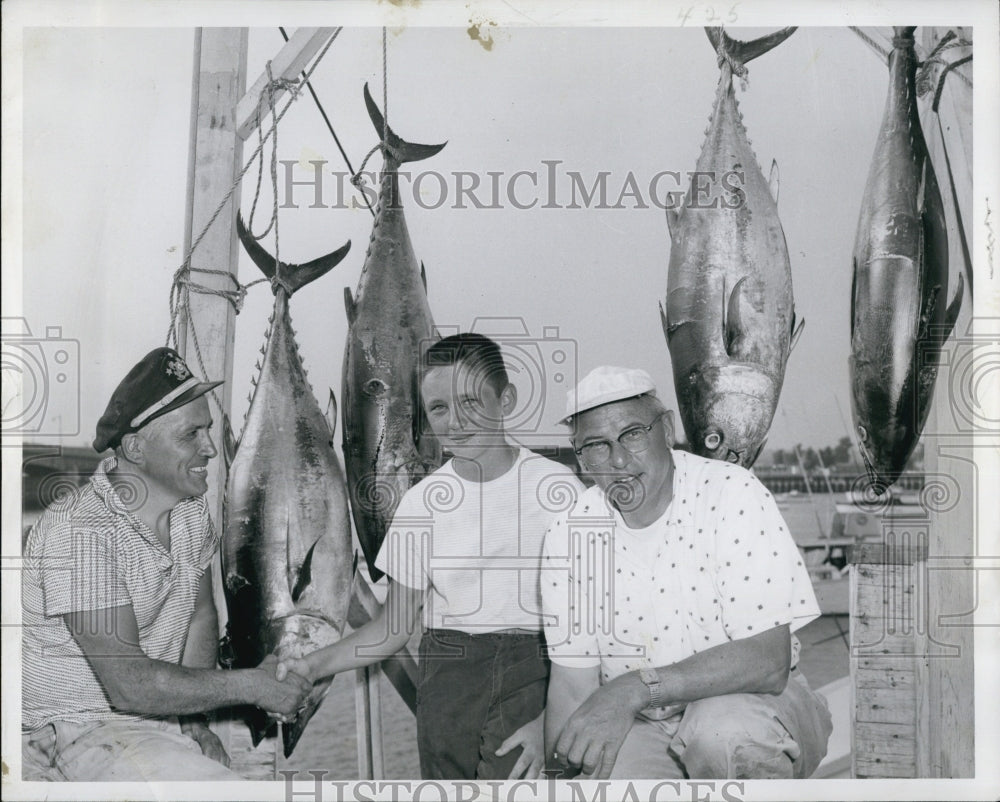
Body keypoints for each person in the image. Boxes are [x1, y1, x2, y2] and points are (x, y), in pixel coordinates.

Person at [277, 333, 586, 779]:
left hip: (537, 671)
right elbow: (393, 628)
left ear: (507, 399)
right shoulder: (422, 503)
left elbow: (590, 628)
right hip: (447, 677)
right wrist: (310, 665)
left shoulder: (558, 489)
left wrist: (552, 722)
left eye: (471, 402)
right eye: (439, 409)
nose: (456, 421)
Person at [21, 347, 312, 782]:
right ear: (136, 447)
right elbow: (129, 683)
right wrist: (252, 684)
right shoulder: (81, 532)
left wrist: (194, 722)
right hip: (67, 731)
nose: (211, 448)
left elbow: (199, 616)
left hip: (140, 723)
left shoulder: (190, 513)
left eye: (208, 430)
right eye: (191, 434)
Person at [540, 366, 832, 779]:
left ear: (667, 428)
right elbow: (573, 688)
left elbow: (769, 661)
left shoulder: (731, 492)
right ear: (580, 456)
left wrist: (638, 687)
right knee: (600, 776)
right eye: (597, 446)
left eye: (632, 434)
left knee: (724, 732)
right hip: (643, 719)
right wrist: (558, 778)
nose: (619, 459)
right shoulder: (569, 533)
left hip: (756, 705)